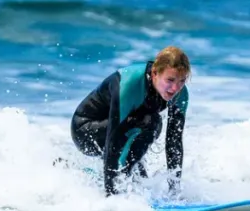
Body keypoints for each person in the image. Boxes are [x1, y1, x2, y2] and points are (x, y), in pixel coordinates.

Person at [70, 46, 190, 197]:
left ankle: (124, 180)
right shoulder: (129, 84)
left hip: (123, 130)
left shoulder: (181, 94)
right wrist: (111, 197)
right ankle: (113, 188)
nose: (175, 88)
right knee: (148, 121)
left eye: (182, 81)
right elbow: (114, 138)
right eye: (170, 80)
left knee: (151, 124)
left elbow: (174, 142)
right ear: (155, 73)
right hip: (85, 131)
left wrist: (175, 191)